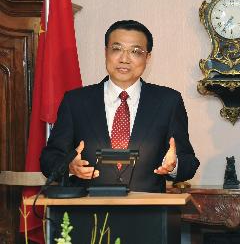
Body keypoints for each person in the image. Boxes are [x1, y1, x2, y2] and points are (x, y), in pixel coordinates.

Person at [40, 20, 199, 192]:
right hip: (89, 214)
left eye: (135, 52)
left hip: (147, 213)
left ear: (148, 57)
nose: (124, 59)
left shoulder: (168, 101)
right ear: (106, 52)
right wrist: (69, 167)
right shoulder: (76, 101)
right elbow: (49, 159)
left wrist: (173, 166)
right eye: (116, 49)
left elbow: (189, 163)